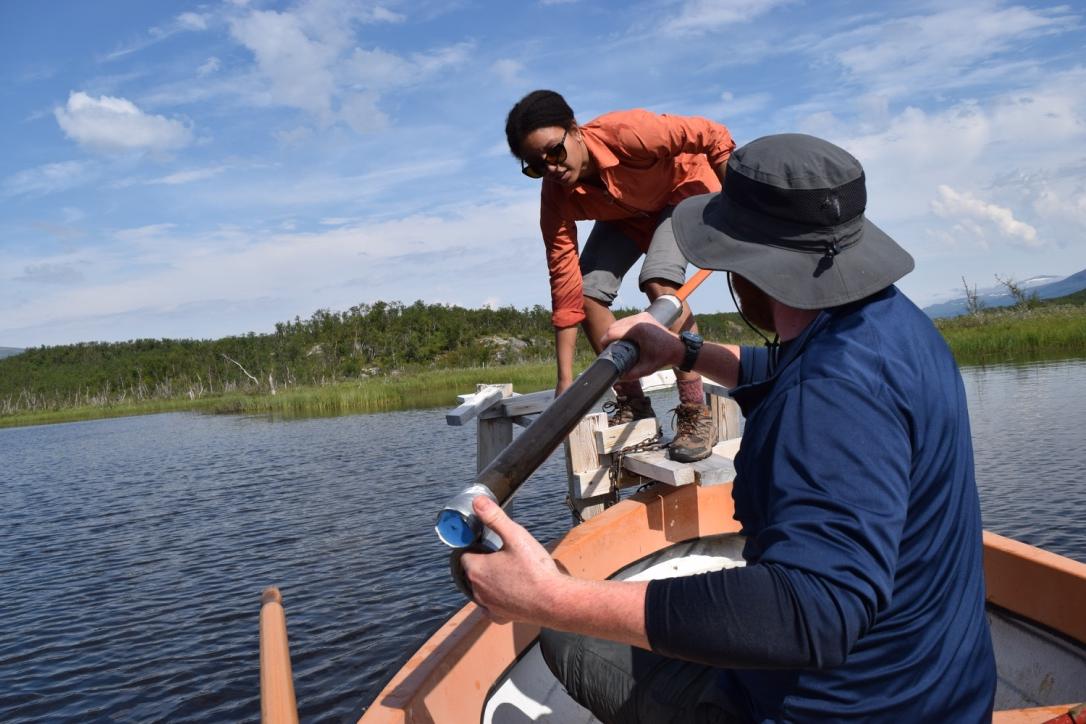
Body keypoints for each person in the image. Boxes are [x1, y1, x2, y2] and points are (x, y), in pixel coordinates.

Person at [462, 133, 996, 722]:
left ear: (749, 269)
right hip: (946, 693)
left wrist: (551, 598)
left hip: (836, 709)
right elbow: (789, 367)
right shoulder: (893, 327)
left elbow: (812, 614)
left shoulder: (830, 394)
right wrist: (685, 353)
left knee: (566, 635)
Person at [505, 90, 736, 462]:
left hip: (683, 190)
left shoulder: (628, 132)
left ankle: (695, 411)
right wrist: (564, 379)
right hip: (627, 215)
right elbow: (563, 280)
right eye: (535, 166)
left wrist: (741, 205)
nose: (551, 168)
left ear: (575, 130)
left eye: (555, 152)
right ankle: (634, 402)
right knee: (587, 292)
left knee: (659, 282)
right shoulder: (556, 197)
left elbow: (713, 135)